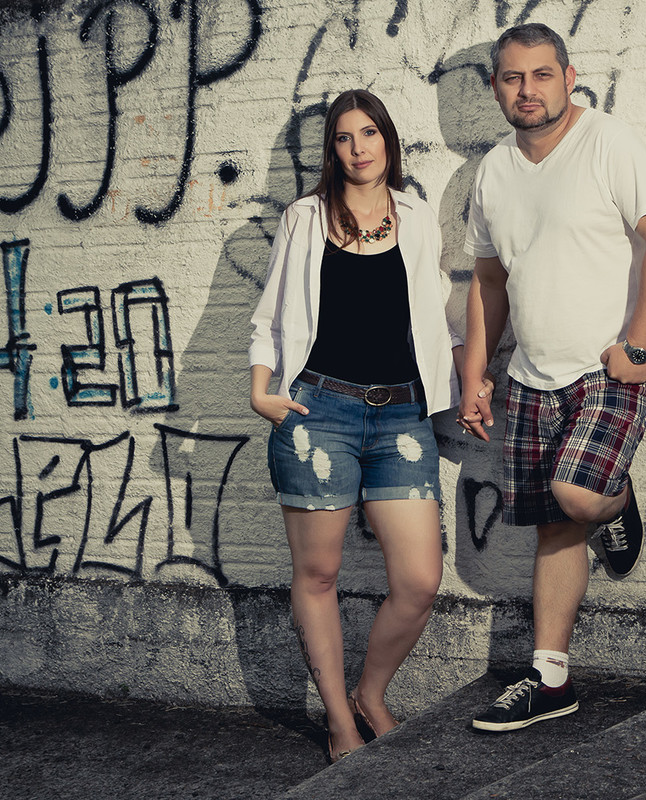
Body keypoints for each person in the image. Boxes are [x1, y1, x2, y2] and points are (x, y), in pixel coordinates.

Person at [457, 24, 646, 732]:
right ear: (496, 87)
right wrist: (475, 372)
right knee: (556, 529)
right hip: (532, 375)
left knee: (577, 494)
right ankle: (550, 678)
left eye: (541, 75)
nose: (526, 90)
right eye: (512, 78)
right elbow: (489, 280)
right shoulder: (494, 171)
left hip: (608, 366)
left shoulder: (607, 142)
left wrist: (638, 346)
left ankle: (613, 505)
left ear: (568, 75)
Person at [249, 89, 486, 761]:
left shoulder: (414, 217)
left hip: (402, 415)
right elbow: (269, 318)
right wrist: (261, 393)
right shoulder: (303, 218)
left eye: (370, 134)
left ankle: (370, 692)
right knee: (318, 573)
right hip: (316, 412)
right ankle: (339, 720)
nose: (358, 148)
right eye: (345, 137)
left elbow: (435, 319)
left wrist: (470, 380)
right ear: (333, 149)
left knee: (418, 581)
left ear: (388, 140)